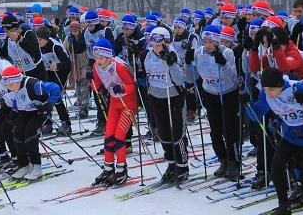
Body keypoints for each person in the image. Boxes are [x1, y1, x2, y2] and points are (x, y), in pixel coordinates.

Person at [243, 68, 303, 215]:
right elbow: (256, 115)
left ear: (281, 84)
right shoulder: (266, 94)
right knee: (276, 168)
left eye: (272, 89)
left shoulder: (296, 87)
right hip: (290, 136)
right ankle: (284, 205)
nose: (269, 93)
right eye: (266, 89)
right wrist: (247, 104)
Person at [140, 27, 189, 183]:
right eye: (153, 44)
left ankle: (182, 165)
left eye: (159, 45)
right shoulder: (148, 56)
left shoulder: (173, 55)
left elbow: (181, 79)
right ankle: (171, 163)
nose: (155, 48)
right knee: (163, 133)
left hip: (173, 96)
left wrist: (171, 64)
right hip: (156, 96)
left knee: (176, 132)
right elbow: (145, 74)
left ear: (166, 44)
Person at [194, 25, 241, 178]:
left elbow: (232, 77)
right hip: (210, 92)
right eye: (205, 41)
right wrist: (188, 63)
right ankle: (223, 160)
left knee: (229, 130)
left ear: (217, 41)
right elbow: (194, 74)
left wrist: (224, 64)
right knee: (215, 130)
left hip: (227, 93)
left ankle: (234, 161)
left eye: (210, 42)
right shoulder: (199, 52)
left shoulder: (227, 53)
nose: (207, 45)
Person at [90, 38, 137, 186]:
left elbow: (133, 85)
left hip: (127, 103)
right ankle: (108, 168)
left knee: (119, 138)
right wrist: (91, 82)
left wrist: (123, 89)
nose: (98, 61)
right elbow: (97, 86)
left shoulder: (119, 67)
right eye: (96, 57)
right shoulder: (96, 67)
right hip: (114, 103)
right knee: (108, 136)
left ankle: (121, 170)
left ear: (109, 57)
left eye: (101, 58)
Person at [1, 66, 61, 180]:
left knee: (29, 134)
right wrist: (13, 113)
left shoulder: (34, 85)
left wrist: (49, 104)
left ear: (18, 80)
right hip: (25, 111)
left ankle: (36, 166)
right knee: (17, 135)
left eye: (11, 84)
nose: (9, 87)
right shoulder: (13, 87)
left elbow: (55, 88)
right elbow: (16, 99)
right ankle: (24, 165)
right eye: (7, 85)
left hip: (39, 111)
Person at [35, 26, 72, 135]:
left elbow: (68, 64)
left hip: (61, 72)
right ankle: (47, 122)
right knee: (45, 95)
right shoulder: (39, 47)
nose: (38, 42)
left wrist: (57, 66)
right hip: (48, 71)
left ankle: (66, 123)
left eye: (40, 39)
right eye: (37, 39)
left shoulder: (55, 46)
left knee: (56, 97)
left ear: (46, 38)